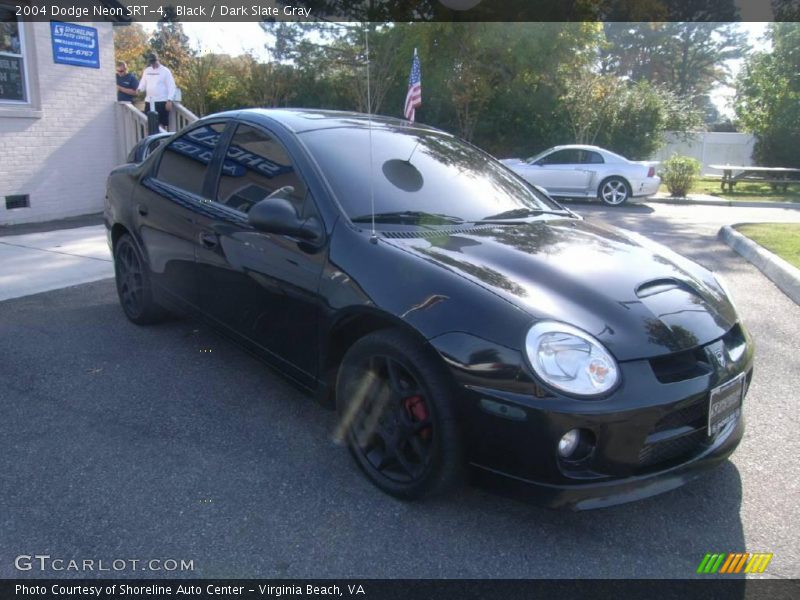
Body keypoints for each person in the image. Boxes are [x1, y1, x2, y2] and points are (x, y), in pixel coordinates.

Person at [137, 52, 177, 131]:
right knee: (149, 123)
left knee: (161, 124)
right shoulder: (147, 71)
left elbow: (171, 86)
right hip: (149, 101)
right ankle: (152, 141)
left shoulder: (165, 71)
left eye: (153, 62)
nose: (152, 64)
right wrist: (139, 89)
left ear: (157, 60)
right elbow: (143, 83)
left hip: (161, 101)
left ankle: (161, 141)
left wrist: (169, 100)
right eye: (151, 63)